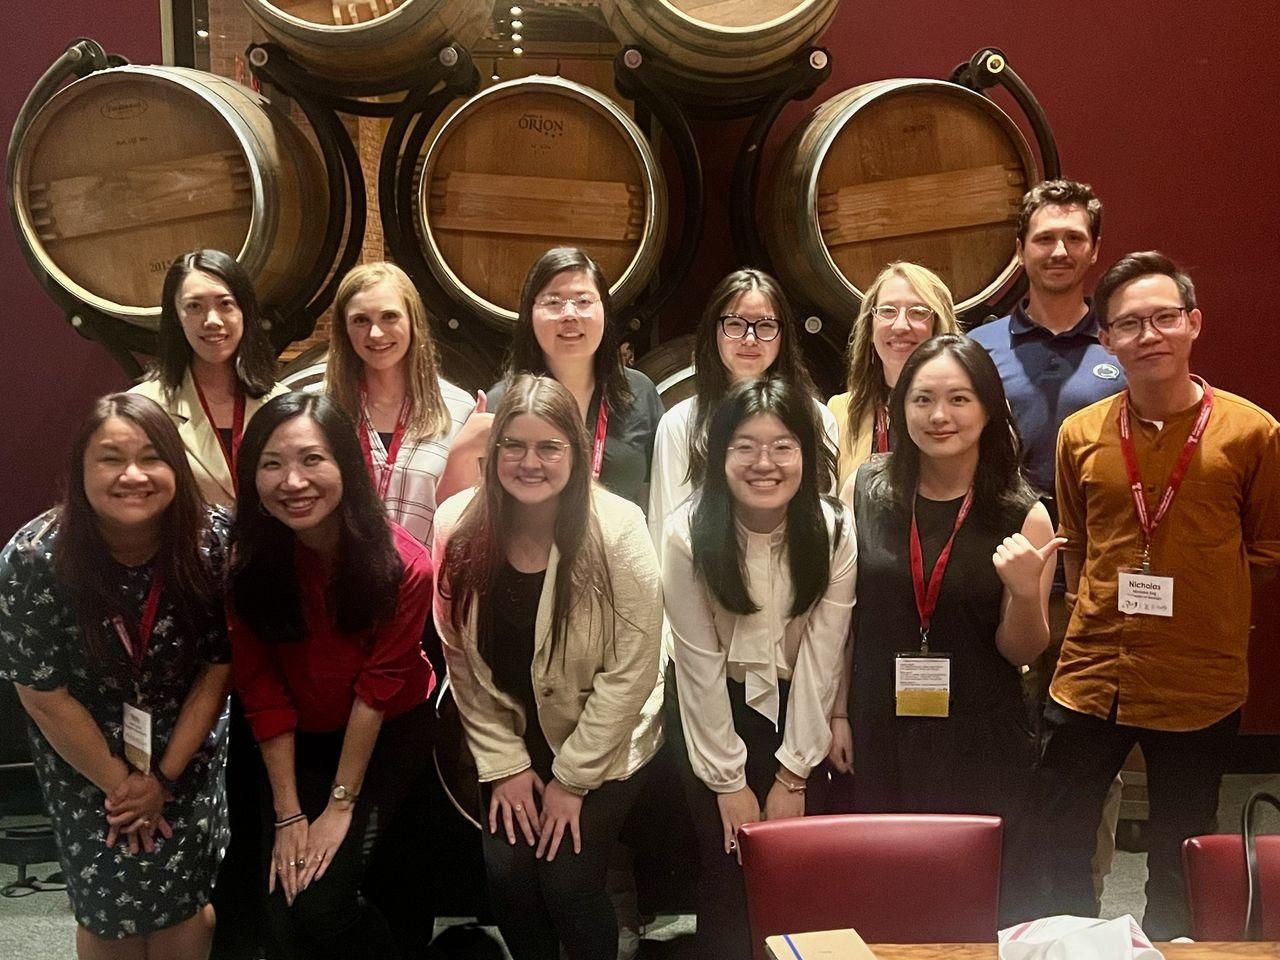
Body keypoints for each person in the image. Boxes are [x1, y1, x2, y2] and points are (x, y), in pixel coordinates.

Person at [1038, 252, 1280, 938]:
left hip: (1197, 676)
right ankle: (1070, 945)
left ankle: (1170, 948)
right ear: (1106, 339)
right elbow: (1077, 544)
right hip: (1092, 672)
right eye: (1129, 324)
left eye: (1164, 318)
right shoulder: (1080, 435)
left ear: (1193, 323)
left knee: (1181, 844)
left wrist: (1208, 594)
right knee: (1060, 827)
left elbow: (1267, 548)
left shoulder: (1252, 433)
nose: (1149, 335)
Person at [433, 374, 663, 960]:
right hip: (513, 732)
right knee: (507, 873)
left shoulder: (619, 528)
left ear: (576, 452)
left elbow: (632, 671)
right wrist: (506, 764)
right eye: (513, 445)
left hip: (607, 733)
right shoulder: (457, 523)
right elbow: (458, 656)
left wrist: (571, 781)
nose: (528, 462)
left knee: (566, 878)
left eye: (548, 447)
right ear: (493, 452)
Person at [0, 393, 232, 958]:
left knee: (184, 902)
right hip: (83, 754)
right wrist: (122, 786)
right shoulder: (33, 559)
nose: (133, 475)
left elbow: (218, 667)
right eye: (110, 458)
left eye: (152, 457)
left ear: (176, 467)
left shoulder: (213, 542)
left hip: (186, 746)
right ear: (80, 471)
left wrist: (163, 779)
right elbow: (41, 692)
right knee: (108, 909)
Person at [843, 334, 1061, 923]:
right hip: (882, 723)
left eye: (960, 399)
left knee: (974, 896)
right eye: (923, 399)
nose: (940, 416)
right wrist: (839, 713)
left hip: (978, 731)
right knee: (888, 887)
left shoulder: (1024, 512)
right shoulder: (870, 487)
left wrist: (1021, 591)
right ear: (901, 408)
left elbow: (1023, 649)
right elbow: (845, 614)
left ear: (989, 408)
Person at [227, 393, 436, 959]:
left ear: (348, 465)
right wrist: (290, 813)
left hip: (388, 730)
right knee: (282, 911)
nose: (292, 481)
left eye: (312, 460)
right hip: (294, 738)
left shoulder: (406, 565)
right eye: (271, 464)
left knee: (323, 904)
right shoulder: (246, 564)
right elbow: (260, 688)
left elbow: (375, 692)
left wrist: (339, 806)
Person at [968, 179, 1127, 899]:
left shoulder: (1125, 345)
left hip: (1097, 597)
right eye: (1044, 237)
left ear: (1094, 249)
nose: (1058, 250)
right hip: (1000, 591)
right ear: (1020, 249)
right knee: (997, 749)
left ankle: (1081, 904)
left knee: (1089, 769)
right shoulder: (981, 348)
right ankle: (996, 894)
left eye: (1073, 238)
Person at [664, 377, 856, 960]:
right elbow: (696, 667)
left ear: (805, 451)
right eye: (744, 446)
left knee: (802, 880)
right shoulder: (687, 532)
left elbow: (823, 659)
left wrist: (793, 774)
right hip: (712, 716)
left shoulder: (834, 529)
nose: (764, 463)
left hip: (804, 712)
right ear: (719, 453)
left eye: (782, 446)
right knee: (725, 877)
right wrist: (729, 783)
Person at [648, 267, 838, 548]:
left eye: (765, 325)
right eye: (735, 324)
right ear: (714, 330)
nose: (750, 338)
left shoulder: (817, 417)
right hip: (702, 585)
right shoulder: (680, 423)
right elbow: (666, 532)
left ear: (783, 335)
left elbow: (826, 527)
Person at [487, 247, 665, 508]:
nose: (569, 314)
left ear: (604, 309)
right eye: (553, 302)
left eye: (583, 301)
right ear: (529, 314)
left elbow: (657, 499)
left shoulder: (639, 392)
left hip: (617, 546)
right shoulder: (501, 402)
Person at [326, 261, 483, 547]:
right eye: (361, 320)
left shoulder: (459, 410)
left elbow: (465, 516)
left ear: (413, 321)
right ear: (344, 329)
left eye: (389, 316)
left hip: (427, 583)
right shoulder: (319, 408)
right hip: (337, 581)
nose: (376, 333)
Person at [132, 249, 287, 508]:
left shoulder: (282, 404)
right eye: (194, 306)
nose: (212, 320)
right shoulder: (144, 409)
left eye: (225, 304)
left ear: (245, 312)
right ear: (176, 317)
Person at [827, 262, 960, 495]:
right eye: (888, 311)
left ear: (939, 327)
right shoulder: (839, 413)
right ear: (870, 327)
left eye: (918, 312)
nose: (900, 326)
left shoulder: (973, 408)